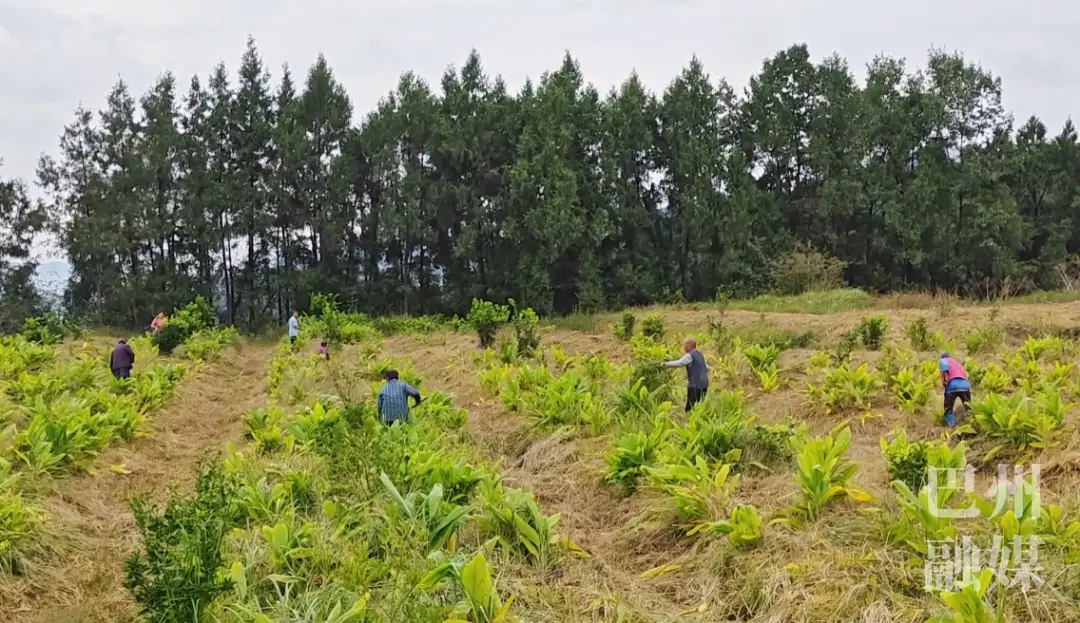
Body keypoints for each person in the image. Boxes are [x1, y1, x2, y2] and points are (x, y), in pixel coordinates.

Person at [663, 337, 709, 412]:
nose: (684, 347)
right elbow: (706, 367)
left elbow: (679, 363)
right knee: (699, 407)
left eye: (685, 345)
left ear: (689, 345)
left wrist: (664, 364)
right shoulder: (699, 354)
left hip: (695, 384)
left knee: (690, 408)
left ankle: (689, 422)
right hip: (704, 384)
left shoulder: (690, 355)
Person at [939, 351, 971, 427]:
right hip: (965, 386)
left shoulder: (943, 361)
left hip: (952, 386)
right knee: (968, 407)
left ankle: (951, 426)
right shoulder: (957, 363)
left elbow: (945, 372)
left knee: (948, 409)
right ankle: (970, 424)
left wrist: (944, 383)